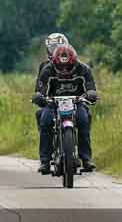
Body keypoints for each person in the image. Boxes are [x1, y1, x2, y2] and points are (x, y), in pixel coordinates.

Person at [32, 44, 98, 174]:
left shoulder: (83, 69)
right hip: (53, 104)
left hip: (77, 102)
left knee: (83, 120)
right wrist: (40, 96)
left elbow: (90, 86)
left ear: (74, 61)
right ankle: (45, 161)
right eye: (60, 67)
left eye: (68, 66)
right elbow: (41, 89)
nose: (64, 70)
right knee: (45, 121)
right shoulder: (47, 70)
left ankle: (86, 159)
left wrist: (91, 94)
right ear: (54, 62)